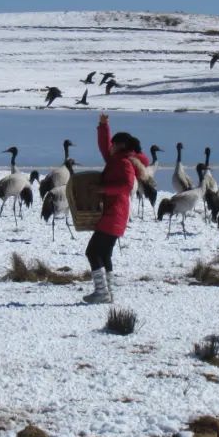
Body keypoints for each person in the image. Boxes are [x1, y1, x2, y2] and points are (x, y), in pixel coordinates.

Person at [83, 114, 149, 304]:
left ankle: (102, 292)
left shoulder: (123, 163)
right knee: (104, 253)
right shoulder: (117, 160)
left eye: (113, 143)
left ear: (120, 145)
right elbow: (104, 147)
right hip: (116, 214)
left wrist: (102, 189)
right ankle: (108, 292)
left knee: (93, 252)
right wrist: (104, 125)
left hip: (114, 214)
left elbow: (127, 185)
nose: (110, 146)